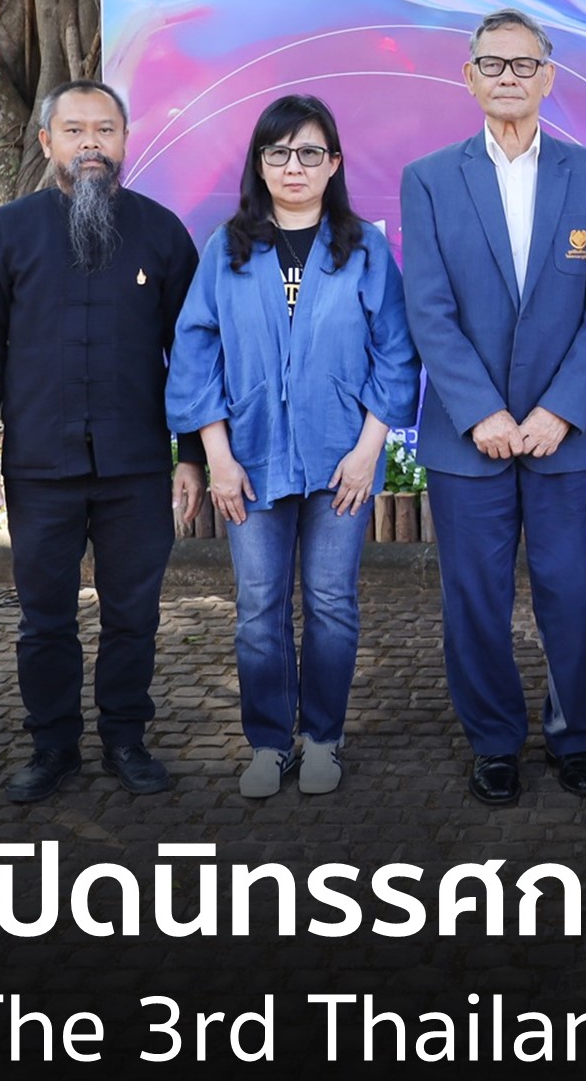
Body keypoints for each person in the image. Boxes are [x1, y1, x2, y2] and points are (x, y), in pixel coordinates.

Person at [399, 8, 586, 805]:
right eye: (492, 64)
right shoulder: (428, 177)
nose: (508, 77)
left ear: (548, 76)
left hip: (567, 433)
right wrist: (481, 412)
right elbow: (427, 307)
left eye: (523, 64)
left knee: (570, 589)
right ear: (468, 77)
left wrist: (560, 409)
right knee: (474, 595)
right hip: (470, 438)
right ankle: (493, 740)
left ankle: (576, 737)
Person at [0, 80, 207, 802]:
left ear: (124, 142)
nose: (90, 143)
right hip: (39, 463)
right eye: (74, 130)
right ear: (47, 143)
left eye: (104, 130)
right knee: (45, 618)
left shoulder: (161, 233)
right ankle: (53, 744)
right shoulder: (8, 230)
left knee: (134, 615)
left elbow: (191, 355)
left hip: (134, 467)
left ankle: (125, 738)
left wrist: (189, 453)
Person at [167, 94, 418, 798]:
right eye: (278, 152)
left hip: (341, 458)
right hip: (248, 460)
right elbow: (194, 352)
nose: (294, 165)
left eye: (310, 151)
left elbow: (395, 354)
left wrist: (371, 448)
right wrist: (215, 452)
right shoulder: (229, 246)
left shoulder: (364, 246)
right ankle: (268, 742)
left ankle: (322, 739)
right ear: (259, 163)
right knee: (257, 606)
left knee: (332, 601)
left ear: (334, 162)